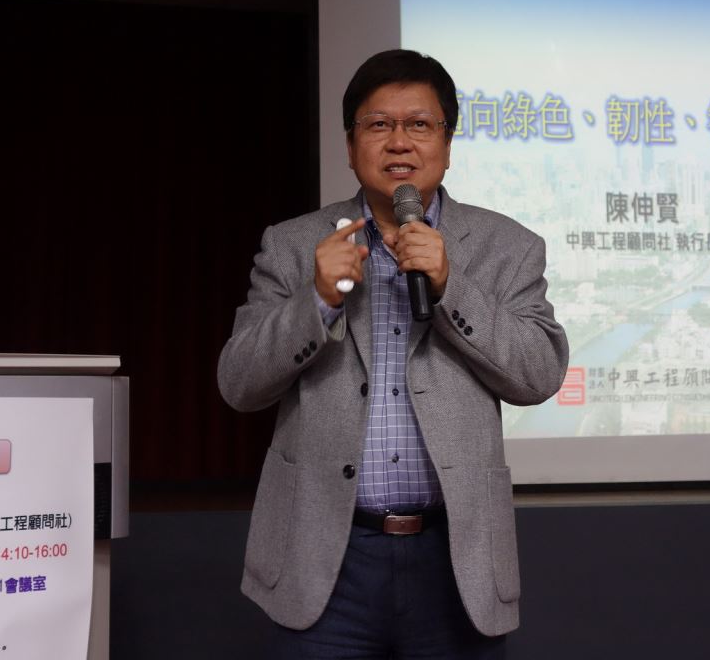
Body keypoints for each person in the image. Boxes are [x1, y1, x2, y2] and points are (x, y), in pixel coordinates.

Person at [218, 49, 568, 658]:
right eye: (378, 124)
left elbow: (539, 373)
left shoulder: (507, 246)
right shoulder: (294, 244)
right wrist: (316, 299)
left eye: (419, 125)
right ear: (350, 145)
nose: (399, 141)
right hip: (325, 557)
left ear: (447, 143)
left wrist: (452, 287)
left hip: (454, 558)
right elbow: (239, 383)